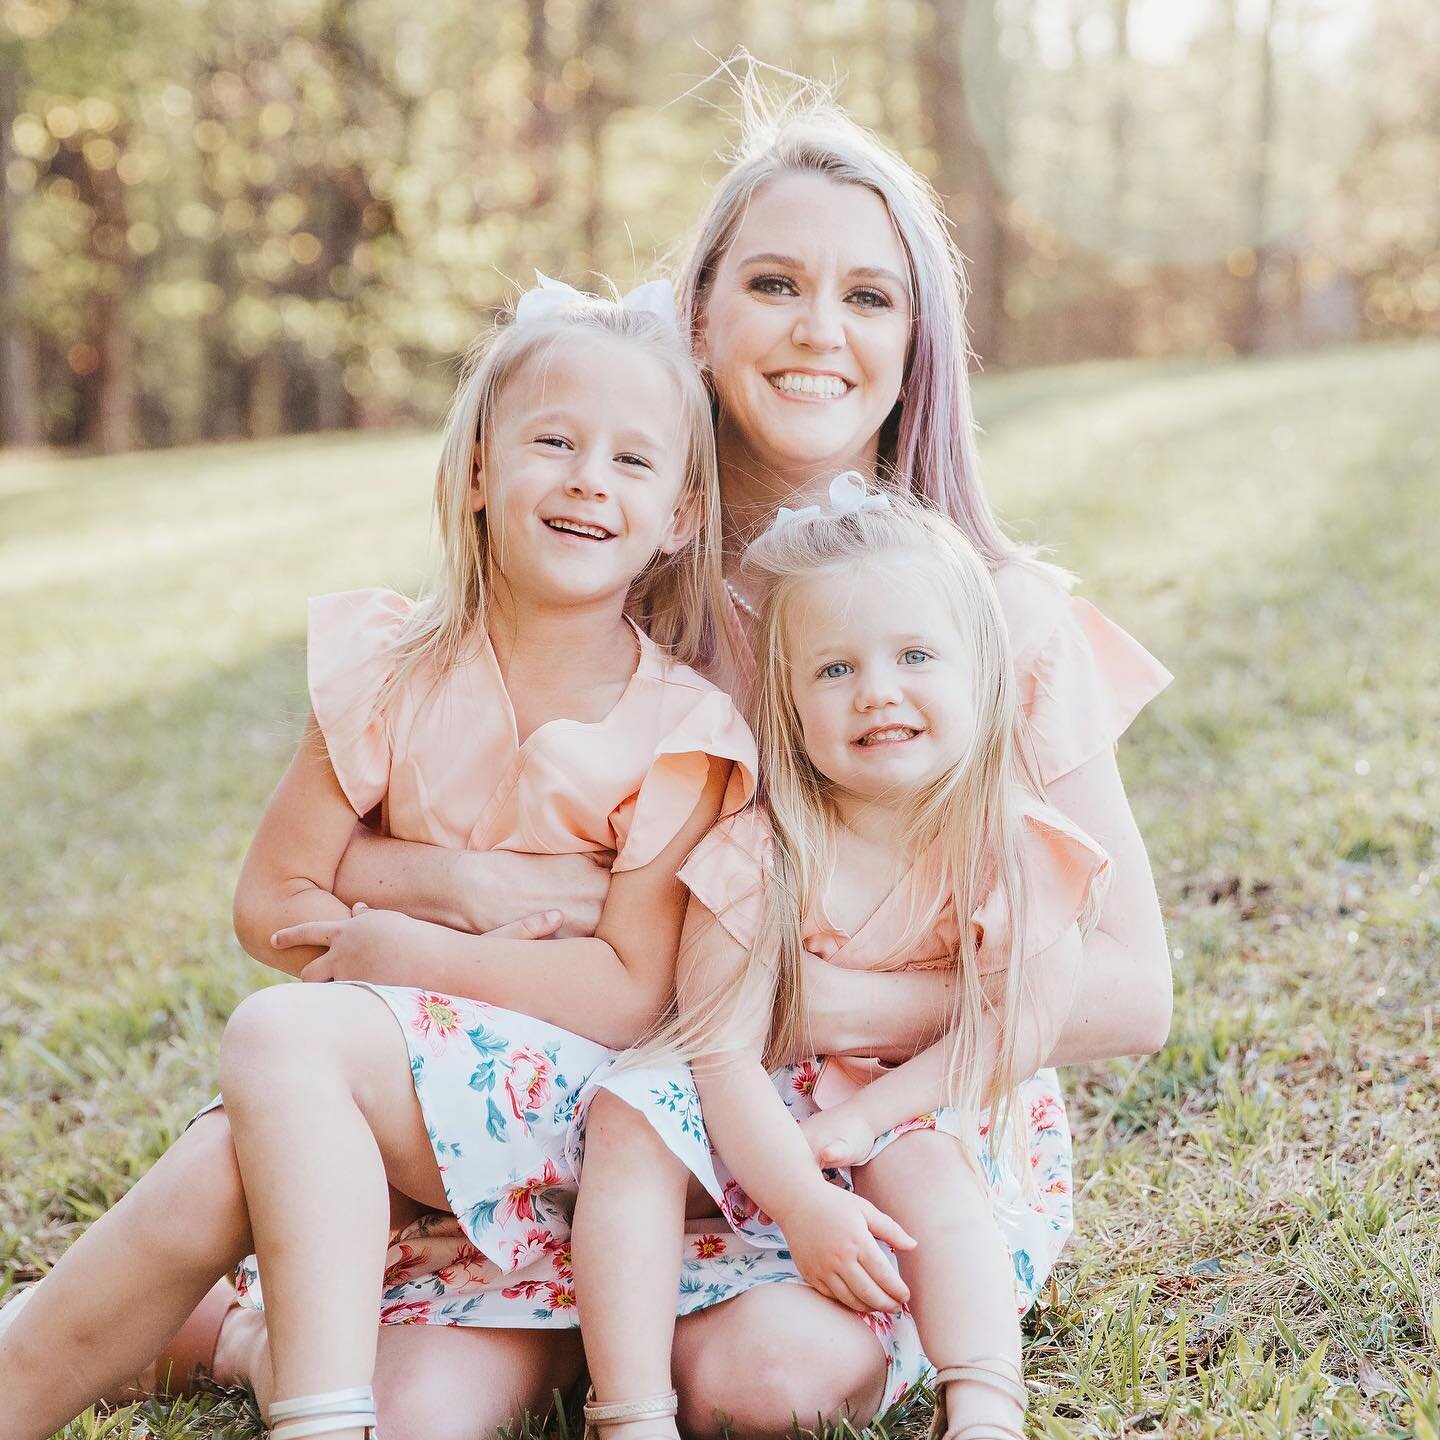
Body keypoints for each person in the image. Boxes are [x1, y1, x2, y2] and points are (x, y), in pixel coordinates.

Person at [2, 75, 1170, 1440]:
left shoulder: (984, 619)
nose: (817, 329)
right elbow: (420, 800)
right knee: (313, 1164)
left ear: (917, 345)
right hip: (611, 1094)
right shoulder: (613, 567)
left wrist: (803, 1016)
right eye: (775, 284)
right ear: (699, 317)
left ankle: (294, 1319)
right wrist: (446, 887)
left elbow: (1132, 991)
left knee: (761, 1386)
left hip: (868, 1134)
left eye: (869, 298)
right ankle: (192, 1345)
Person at [0, 276, 756, 1440]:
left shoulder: (681, 733)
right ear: (474, 474)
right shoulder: (388, 670)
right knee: (247, 1146)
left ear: (684, 514)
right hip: (391, 1099)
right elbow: (271, 901)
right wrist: (457, 886)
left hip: (574, 1136)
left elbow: (631, 992)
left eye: (632, 461)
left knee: (280, 1044)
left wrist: (397, 944)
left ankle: (274, 1371)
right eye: (551, 440)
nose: (587, 478)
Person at [571, 483, 1112, 1440]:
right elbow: (721, 1053)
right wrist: (801, 1201)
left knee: (924, 1167)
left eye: (914, 656)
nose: (876, 690)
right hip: (763, 1120)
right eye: (834, 669)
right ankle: (629, 1409)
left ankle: (983, 1396)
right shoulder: (761, 851)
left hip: (930, 1099)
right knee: (631, 1115)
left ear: (981, 673)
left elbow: (1014, 1030)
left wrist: (869, 1115)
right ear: (789, 704)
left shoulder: (1011, 846)